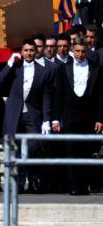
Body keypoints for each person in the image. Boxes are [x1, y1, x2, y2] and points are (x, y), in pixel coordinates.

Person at [0, 39, 52, 193]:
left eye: (31, 50)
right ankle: (19, 183)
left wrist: (46, 119)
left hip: (33, 114)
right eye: (26, 50)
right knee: (15, 148)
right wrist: (9, 64)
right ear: (22, 52)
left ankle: (34, 180)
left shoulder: (43, 71)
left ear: (36, 52)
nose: (28, 53)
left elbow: (46, 97)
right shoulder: (15, 67)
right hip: (14, 113)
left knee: (33, 147)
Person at [51, 37, 103, 195]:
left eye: (83, 51)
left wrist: (100, 119)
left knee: (87, 151)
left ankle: (86, 184)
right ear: (73, 50)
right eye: (78, 51)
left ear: (87, 51)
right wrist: (55, 118)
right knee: (72, 150)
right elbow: (58, 95)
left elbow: (101, 95)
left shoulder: (95, 68)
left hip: (89, 116)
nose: (80, 54)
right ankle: (74, 186)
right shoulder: (63, 68)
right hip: (70, 115)